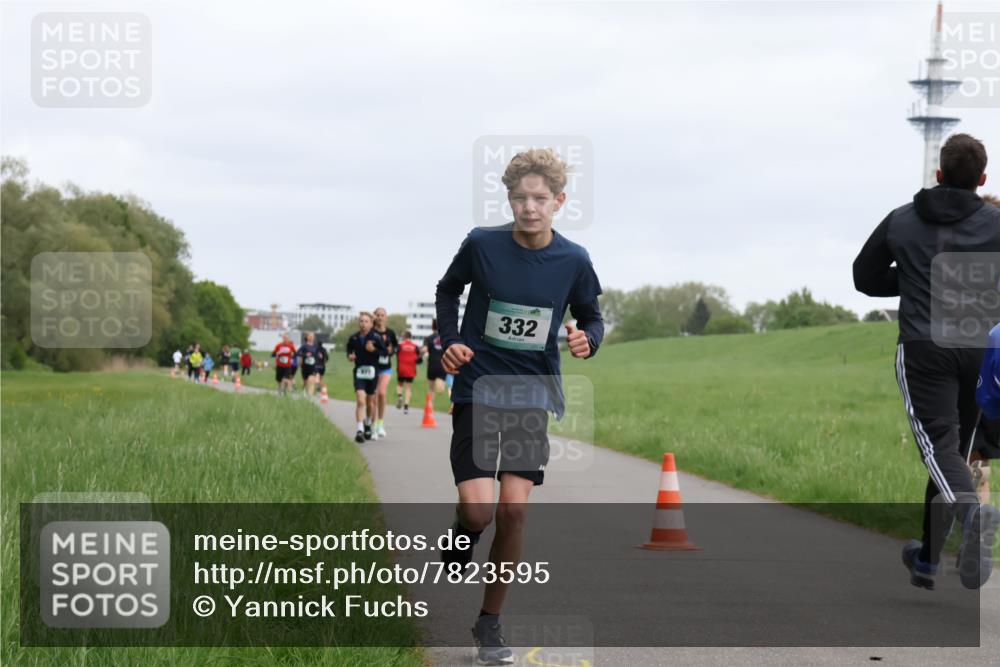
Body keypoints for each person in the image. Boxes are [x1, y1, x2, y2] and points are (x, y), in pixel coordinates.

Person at [435, 148, 604, 664]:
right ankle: (464, 533)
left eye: (540, 198)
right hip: (479, 386)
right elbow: (448, 290)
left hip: (531, 393)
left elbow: (592, 316)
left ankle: (489, 623)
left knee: (512, 511)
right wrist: (449, 338)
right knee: (481, 509)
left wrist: (587, 341)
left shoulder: (573, 260)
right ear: (507, 199)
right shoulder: (482, 244)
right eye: (519, 198)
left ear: (559, 201)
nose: (529, 207)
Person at [854, 133, 1000, 591]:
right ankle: (928, 559)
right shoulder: (996, 222)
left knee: (939, 446)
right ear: (982, 179)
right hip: (981, 348)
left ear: (938, 175)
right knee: (953, 454)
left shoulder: (901, 220)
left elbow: (864, 277)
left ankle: (971, 514)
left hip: (925, 347)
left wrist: (916, 277)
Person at [347, 312, 384, 443]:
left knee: (370, 402)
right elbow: (349, 350)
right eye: (361, 321)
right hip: (359, 372)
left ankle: (368, 423)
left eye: (366, 321)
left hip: (372, 373)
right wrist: (350, 356)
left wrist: (373, 350)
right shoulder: (354, 338)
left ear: (371, 323)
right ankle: (360, 430)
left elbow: (384, 353)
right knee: (360, 400)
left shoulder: (376, 337)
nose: (363, 324)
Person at [372, 307, 398, 439]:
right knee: (373, 397)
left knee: (381, 393)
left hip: (386, 368)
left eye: (383, 315)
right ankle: (372, 424)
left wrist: (391, 350)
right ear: (374, 316)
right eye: (378, 315)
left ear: (386, 317)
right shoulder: (371, 332)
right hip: (372, 368)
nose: (380, 317)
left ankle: (380, 423)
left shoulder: (390, 333)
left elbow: (396, 347)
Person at [422, 318, 449, 398]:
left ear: (432, 326)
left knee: (431, 389)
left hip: (432, 365)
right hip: (442, 365)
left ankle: (429, 408)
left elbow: (424, 349)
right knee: (441, 389)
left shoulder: (428, 338)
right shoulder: (445, 338)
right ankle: (442, 389)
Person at [395, 330, 421, 414]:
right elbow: (419, 359)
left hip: (401, 369)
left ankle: (400, 396)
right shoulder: (415, 346)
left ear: (404, 337)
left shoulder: (400, 345)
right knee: (408, 388)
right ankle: (406, 406)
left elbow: (396, 354)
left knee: (400, 384)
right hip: (411, 370)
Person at [297, 332, 321, 397]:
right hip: (305, 367)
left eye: (312, 336)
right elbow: (298, 353)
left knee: (311, 380)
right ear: (307, 337)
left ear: (314, 338)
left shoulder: (315, 346)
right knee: (305, 381)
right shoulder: (304, 346)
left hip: (312, 366)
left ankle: (310, 395)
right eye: (310, 336)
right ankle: (303, 391)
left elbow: (317, 354)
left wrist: (319, 355)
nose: (311, 337)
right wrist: (305, 355)